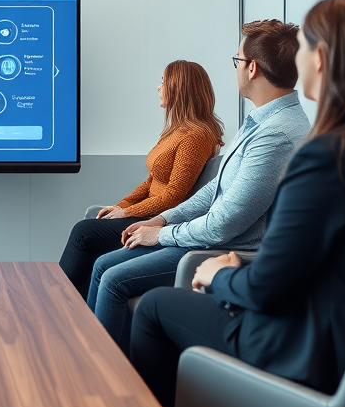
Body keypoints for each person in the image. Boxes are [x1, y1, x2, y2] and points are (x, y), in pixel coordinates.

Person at [130, 0, 345, 407]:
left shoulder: (326, 156)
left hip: (315, 356)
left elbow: (266, 289)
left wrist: (221, 274)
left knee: (154, 307)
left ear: (320, 59)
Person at [88, 20, 311, 347]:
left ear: (252, 69)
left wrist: (160, 234)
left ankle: (103, 378)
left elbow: (225, 223)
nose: (235, 68)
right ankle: (84, 357)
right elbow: (216, 189)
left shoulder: (276, 135)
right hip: (205, 238)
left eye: (237, 60)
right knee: (103, 264)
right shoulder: (261, 122)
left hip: (224, 250)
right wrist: (163, 218)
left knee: (112, 279)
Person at [59, 61, 224, 295]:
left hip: (159, 220)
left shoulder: (196, 136)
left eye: (163, 82)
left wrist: (128, 213)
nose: (158, 88)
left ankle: (55, 298)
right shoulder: (175, 132)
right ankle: (75, 311)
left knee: (84, 232)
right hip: (146, 212)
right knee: (92, 232)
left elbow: (174, 195)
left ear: (179, 88)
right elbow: (151, 182)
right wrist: (121, 205)